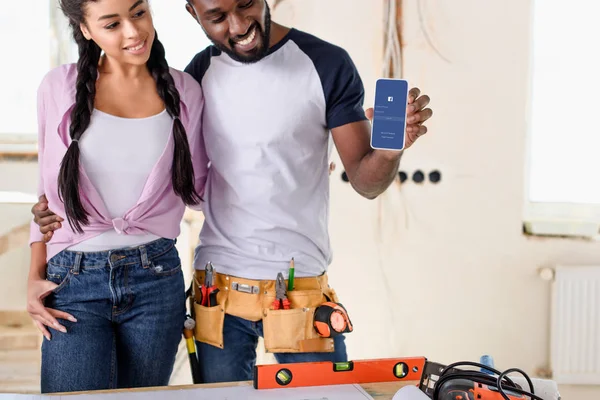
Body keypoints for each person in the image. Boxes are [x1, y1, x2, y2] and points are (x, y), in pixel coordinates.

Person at [32, 0, 433, 385]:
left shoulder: (321, 64)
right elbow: (173, 178)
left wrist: (386, 150)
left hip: (294, 285)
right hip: (214, 287)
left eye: (245, 5)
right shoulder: (197, 76)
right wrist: (45, 242)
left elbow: (366, 181)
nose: (238, 26)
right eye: (218, 16)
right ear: (193, 14)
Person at [26, 0, 208, 393]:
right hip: (72, 281)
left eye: (139, 12)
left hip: (156, 278)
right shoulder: (58, 86)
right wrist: (33, 277)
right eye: (112, 24)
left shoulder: (185, 90)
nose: (132, 31)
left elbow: (199, 190)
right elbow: (45, 193)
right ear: (87, 30)